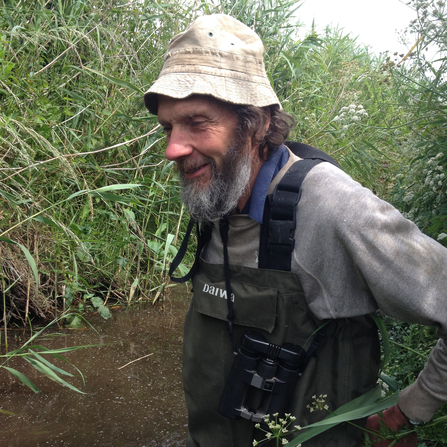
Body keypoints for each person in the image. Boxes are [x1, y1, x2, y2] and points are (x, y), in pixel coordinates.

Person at [143, 14, 447, 447]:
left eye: (197, 122)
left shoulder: (330, 206)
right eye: (168, 127)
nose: (174, 148)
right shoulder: (216, 198)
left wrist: (409, 409)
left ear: (258, 123)